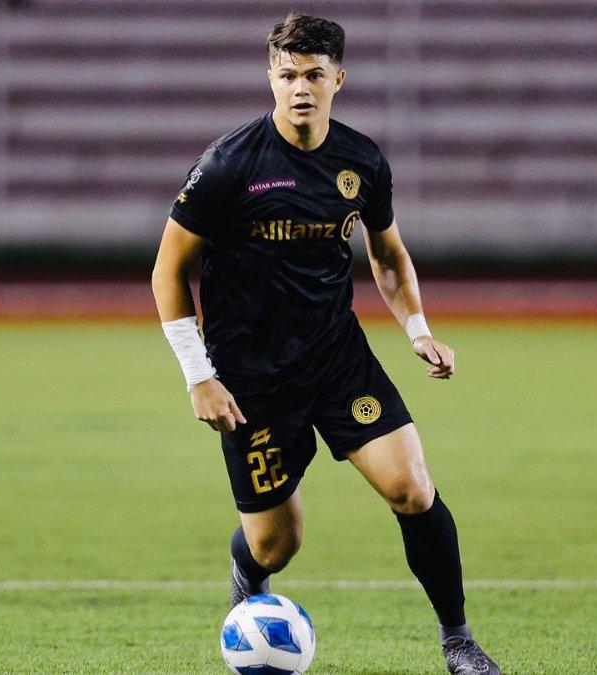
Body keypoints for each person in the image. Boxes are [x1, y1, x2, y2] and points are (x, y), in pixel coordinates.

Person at [150, 13, 500, 675]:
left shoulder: (362, 161)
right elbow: (169, 270)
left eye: (314, 74)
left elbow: (388, 255)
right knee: (277, 544)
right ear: (270, 78)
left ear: (338, 78)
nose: (300, 88)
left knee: (412, 487)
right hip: (252, 378)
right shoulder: (228, 165)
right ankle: (248, 569)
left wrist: (418, 330)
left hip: (337, 358)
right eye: (288, 75)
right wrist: (199, 374)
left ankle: (458, 640)